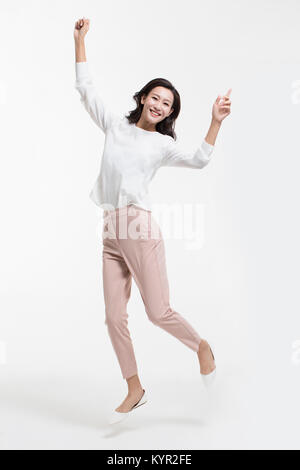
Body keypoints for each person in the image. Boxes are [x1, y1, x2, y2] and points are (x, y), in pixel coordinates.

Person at [74, 17, 231, 424]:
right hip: (110, 229)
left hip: (138, 229)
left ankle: (201, 347)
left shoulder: (161, 145)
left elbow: (199, 159)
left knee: (158, 312)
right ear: (143, 97)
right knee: (113, 317)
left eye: (168, 105)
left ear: (169, 113)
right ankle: (134, 387)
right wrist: (79, 41)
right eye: (156, 98)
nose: (160, 105)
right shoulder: (115, 125)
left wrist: (215, 120)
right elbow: (86, 90)